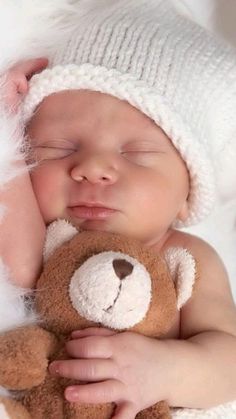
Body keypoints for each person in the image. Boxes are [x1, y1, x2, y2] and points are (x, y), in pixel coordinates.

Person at [3, 0, 236, 417]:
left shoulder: (185, 257)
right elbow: (19, 266)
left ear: (187, 193)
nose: (92, 169)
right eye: (60, 148)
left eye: (137, 152)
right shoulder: (51, 239)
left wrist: (164, 371)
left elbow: (229, 361)